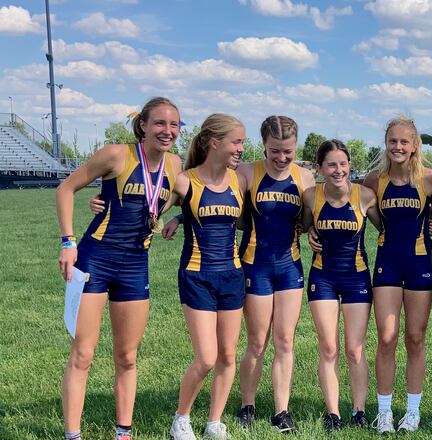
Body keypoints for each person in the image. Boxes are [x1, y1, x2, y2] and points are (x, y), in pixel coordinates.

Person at [56, 97, 182, 440]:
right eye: (159, 123)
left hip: (135, 266)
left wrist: (175, 217)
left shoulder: (175, 164)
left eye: (174, 124)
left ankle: (123, 433)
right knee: (83, 353)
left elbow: (193, 192)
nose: (167, 131)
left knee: (127, 356)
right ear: (143, 125)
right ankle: (72, 435)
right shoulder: (116, 155)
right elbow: (66, 188)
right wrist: (68, 242)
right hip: (94, 260)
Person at [364, 116, 432, 433]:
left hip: (419, 266)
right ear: (386, 144)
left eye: (404, 141)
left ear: (415, 145)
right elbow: (365, 216)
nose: (398, 147)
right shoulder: (374, 180)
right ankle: (384, 411)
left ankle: (412, 412)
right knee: (387, 338)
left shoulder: (429, 179)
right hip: (387, 264)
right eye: (393, 141)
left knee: (415, 338)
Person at [167, 114, 247, 440]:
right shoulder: (185, 181)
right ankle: (181, 419)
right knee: (207, 358)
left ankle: (215, 421)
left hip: (233, 276)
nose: (241, 148)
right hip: (197, 276)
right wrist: (175, 217)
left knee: (228, 355)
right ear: (214, 143)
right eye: (236, 142)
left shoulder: (239, 180)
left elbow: (241, 219)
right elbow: (151, 209)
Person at [234, 116, 315, 432]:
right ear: (263, 145)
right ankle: (247, 406)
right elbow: (215, 196)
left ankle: (281, 411)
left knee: (285, 340)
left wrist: (313, 231)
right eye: (274, 151)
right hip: (255, 266)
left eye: (288, 151)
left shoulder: (304, 177)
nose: (281, 158)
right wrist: (179, 219)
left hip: (289, 267)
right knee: (257, 342)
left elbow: (311, 218)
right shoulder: (246, 172)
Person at [302, 139, 382, 432]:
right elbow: (303, 225)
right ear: (320, 168)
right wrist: (309, 231)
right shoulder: (311, 196)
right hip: (322, 276)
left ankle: (359, 411)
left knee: (355, 349)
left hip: (356, 278)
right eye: (331, 165)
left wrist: (428, 225)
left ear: (350, 165)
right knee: (328, 347)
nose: (338, 170)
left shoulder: (365, 196)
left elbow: (388, 228)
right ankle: (333, 413)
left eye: (343, 164)